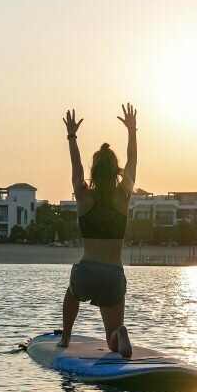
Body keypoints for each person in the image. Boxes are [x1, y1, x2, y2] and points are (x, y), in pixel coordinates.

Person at [59, 103, 137, 358]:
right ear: (117, 171)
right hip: (113, 274)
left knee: (72, 293)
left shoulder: (83, 196)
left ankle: (65, 337)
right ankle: (119, 334)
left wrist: (72, 136)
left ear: (94, 170)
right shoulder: (123, 196)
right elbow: (133, 160)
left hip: (86, 271)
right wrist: (132, 129)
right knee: (111, 335)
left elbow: (75, 166)